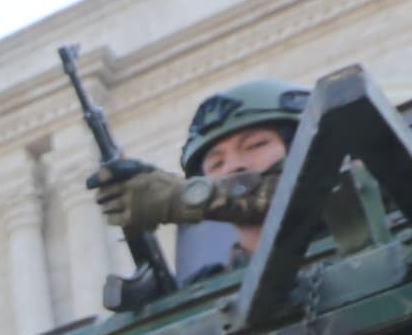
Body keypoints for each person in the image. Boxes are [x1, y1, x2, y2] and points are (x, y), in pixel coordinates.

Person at [86, 80, 308, 270]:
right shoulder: (212, 290)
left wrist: (177, 197)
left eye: (256, 145)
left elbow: (278, 191)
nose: (232, 167)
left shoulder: (332, 210)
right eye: (216, 163)